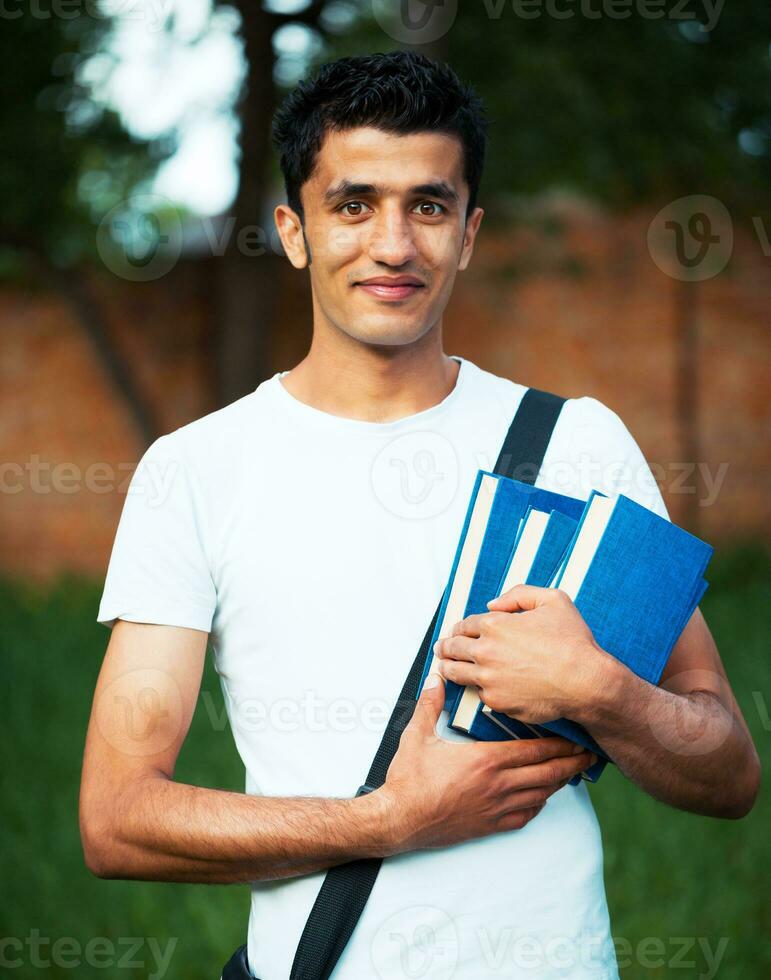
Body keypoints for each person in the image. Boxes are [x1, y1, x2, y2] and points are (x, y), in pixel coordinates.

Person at [79, 51, 760, 980]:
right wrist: (392, 822)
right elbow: (117, 819)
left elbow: (727, 774)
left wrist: (603, 692)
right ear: (292, 230)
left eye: (428, 206)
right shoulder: (195, 471)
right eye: (353, 205)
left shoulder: (575, 443)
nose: (393, 244)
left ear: (468, 232)